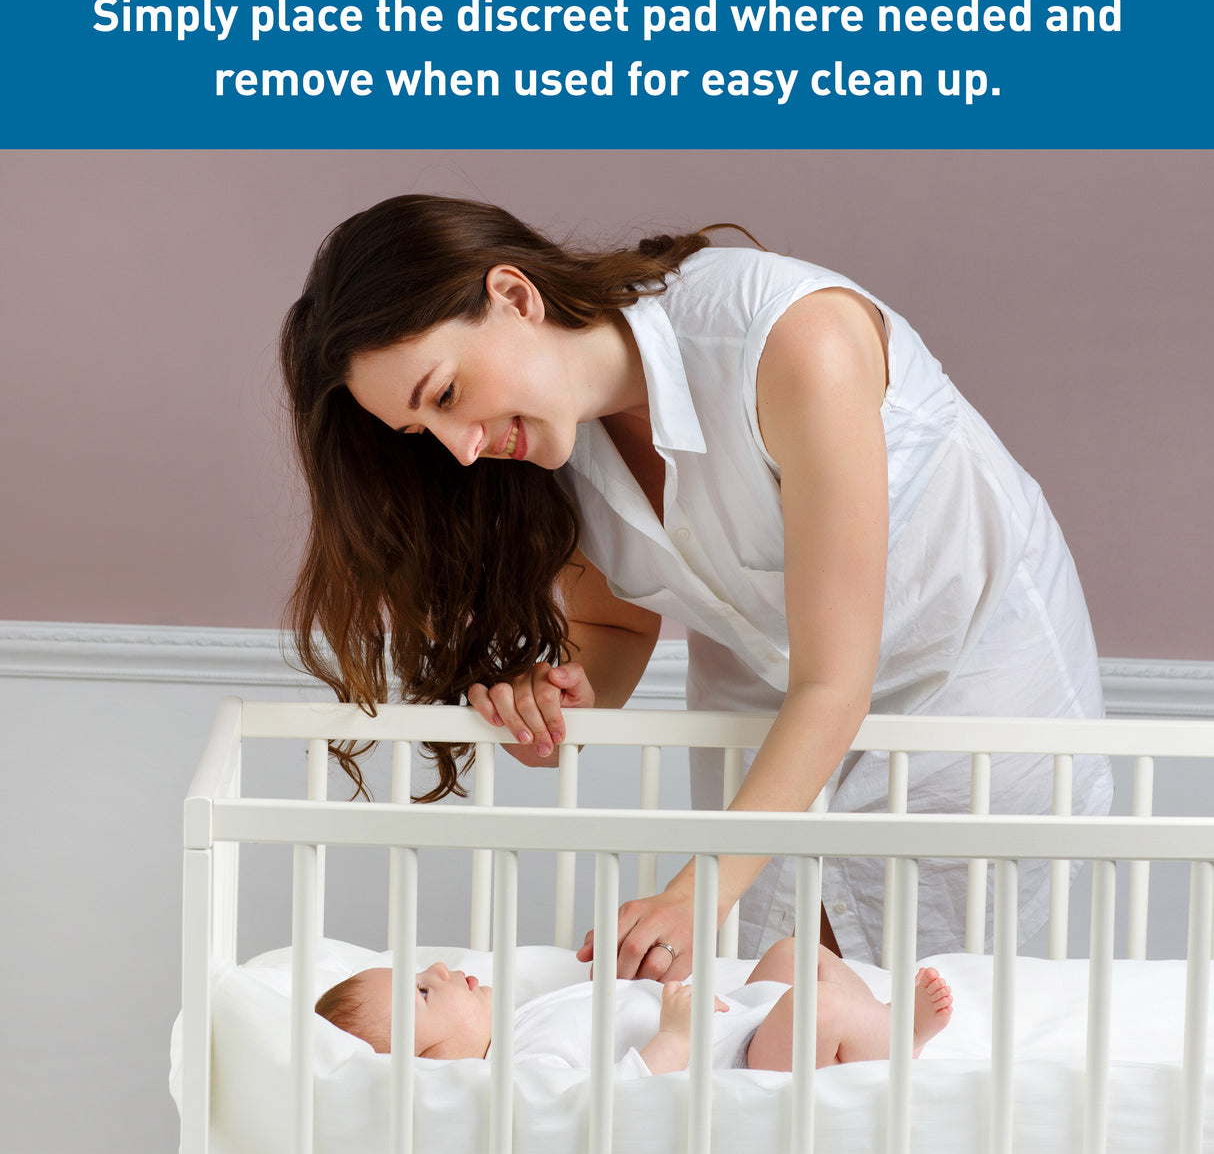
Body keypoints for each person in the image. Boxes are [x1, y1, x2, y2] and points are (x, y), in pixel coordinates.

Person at [280, 194, 1113, 976]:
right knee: (770, 1033)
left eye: (449, 395)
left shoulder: (791, 339)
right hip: (775, 703)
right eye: (424, 431)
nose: (459, 447)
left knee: (930, 1033)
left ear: (514, 296)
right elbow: (617, 627)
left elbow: (835, 679)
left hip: (964, 681)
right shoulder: (545, 451)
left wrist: (697, 890)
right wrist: (567, 699)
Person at [314, 939, 953, 1073]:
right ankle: (897, 1034)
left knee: (793, 953)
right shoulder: (526, 1070)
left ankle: (874, 1024)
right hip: (739, 1058)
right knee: (815, 1008)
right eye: (425, 992)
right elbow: (605, 1106)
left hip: (734, 1011)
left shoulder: (520, 1021)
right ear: (434, 1058)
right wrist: (673, 1040)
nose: (441, 969)